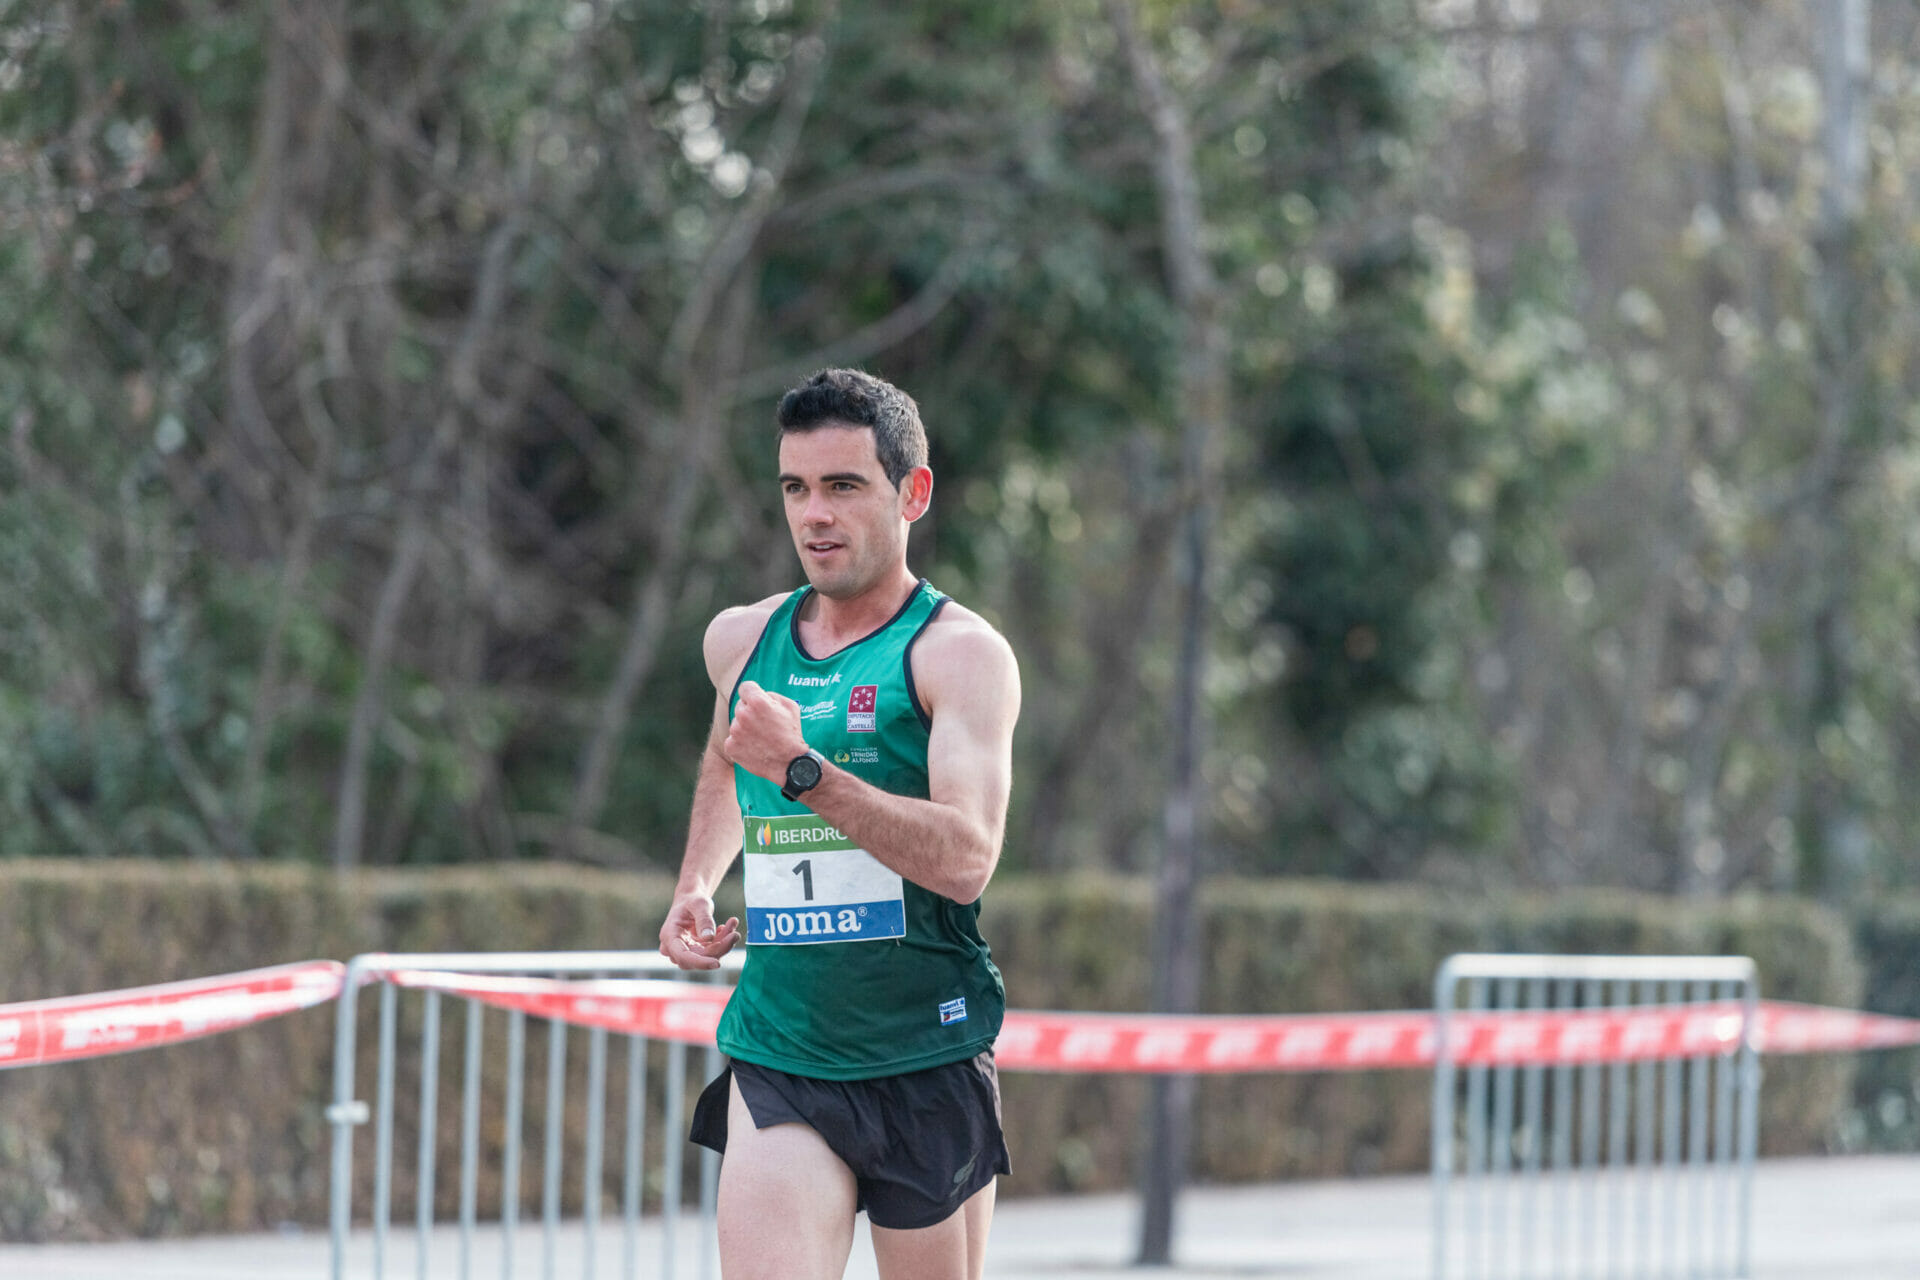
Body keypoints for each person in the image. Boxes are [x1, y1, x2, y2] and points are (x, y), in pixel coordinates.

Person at [658, 367, 1022, 1280]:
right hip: (782, 1051)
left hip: (924, 1050)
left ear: (913, 492)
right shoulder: (741, 641)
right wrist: (695, 883)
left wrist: (806, 773)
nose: (814, 515)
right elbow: (724, 756)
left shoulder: (959, 655)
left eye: (844, 487)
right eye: (796, 488)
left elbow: (967, 860)